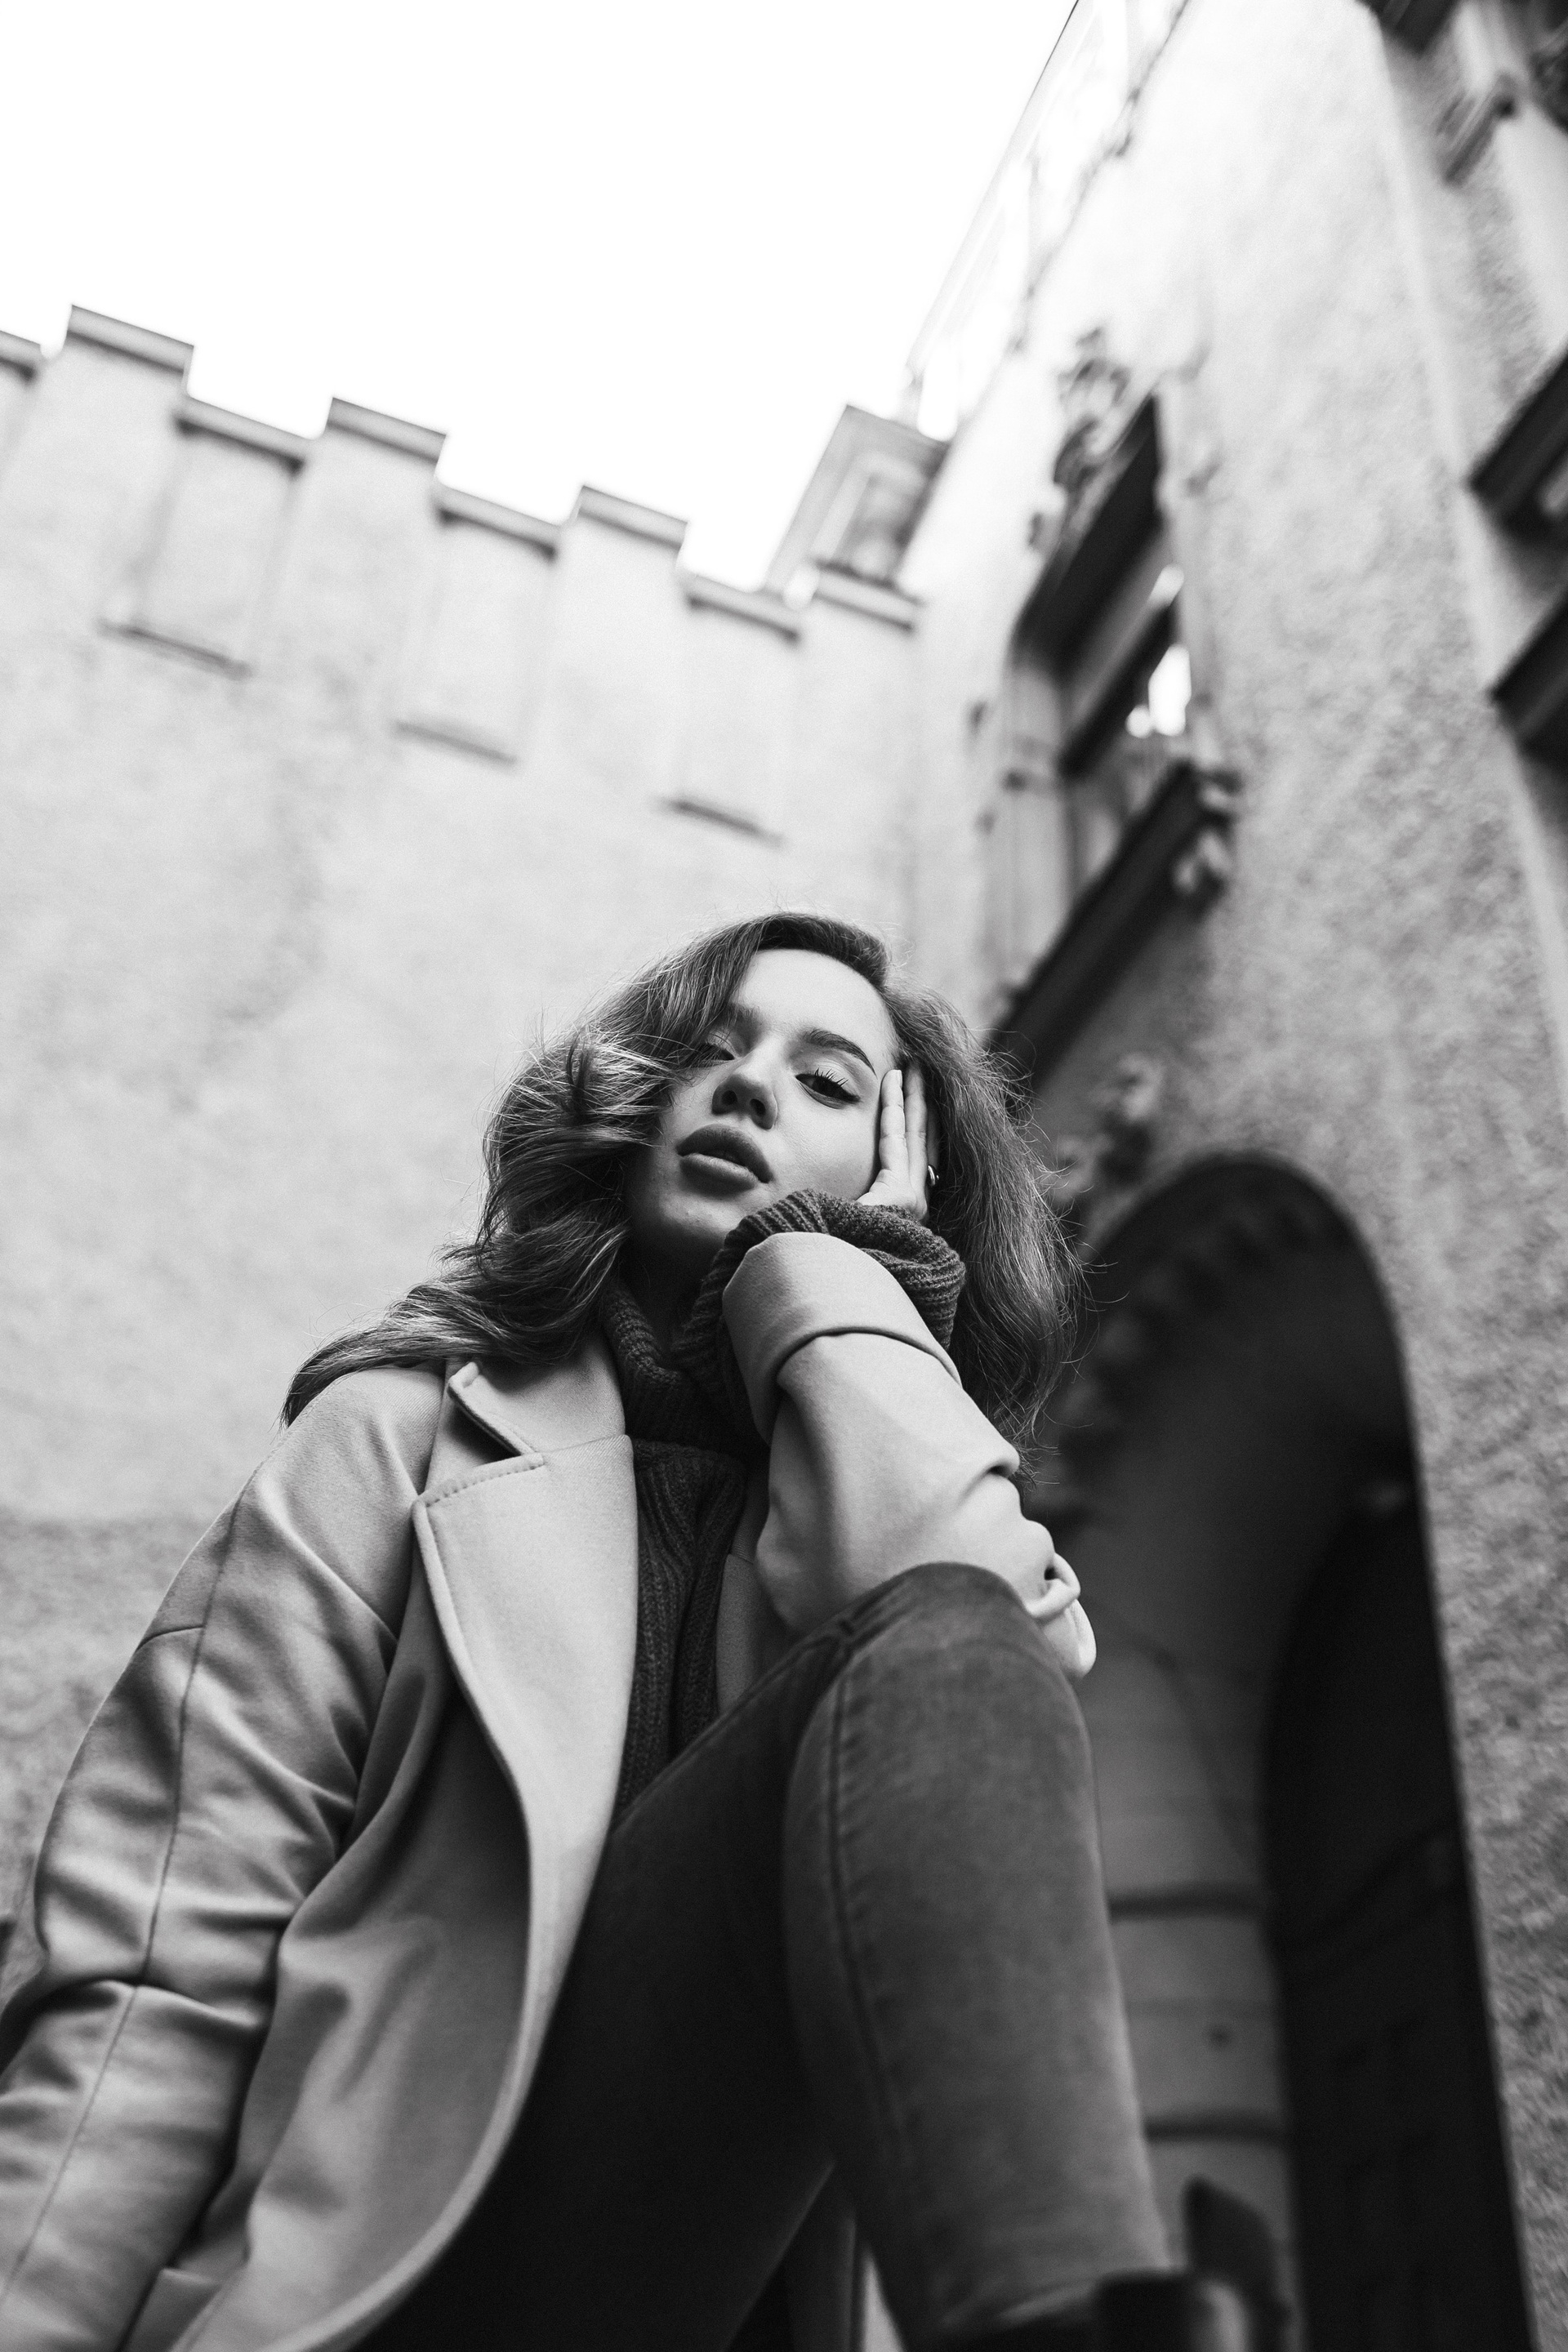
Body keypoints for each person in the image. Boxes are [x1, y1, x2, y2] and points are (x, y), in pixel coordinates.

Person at [0, 911, 1179, 2352]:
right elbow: (162, 1967)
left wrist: (836, 1281)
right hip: (404, 2291)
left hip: (715, 2280)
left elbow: (985, 1651)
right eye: (709, 1051)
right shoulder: (394, 1444)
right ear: (630, 1104)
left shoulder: (874, 1485)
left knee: (939, 1638)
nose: (748, 1087)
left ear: (902, 1175)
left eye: (826, 1081)